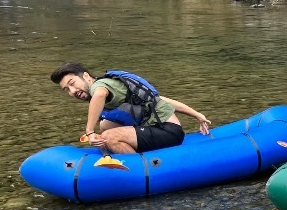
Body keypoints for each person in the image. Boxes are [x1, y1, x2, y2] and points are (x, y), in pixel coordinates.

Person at [50, 62, 211, 153]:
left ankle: (139, 169)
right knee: (105, 125)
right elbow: (158, 100)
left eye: (72, 84)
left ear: (85, 76)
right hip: (157, 129)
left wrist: (90, 132)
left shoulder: (100, 86)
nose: (72, 91)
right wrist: (196, 114)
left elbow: (99, 95)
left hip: (167, 131)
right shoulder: (114, 86)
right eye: (67, 90)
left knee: (109, 137)